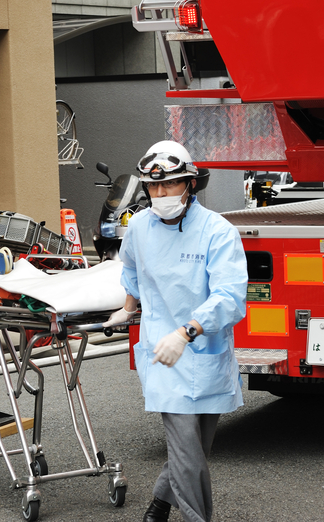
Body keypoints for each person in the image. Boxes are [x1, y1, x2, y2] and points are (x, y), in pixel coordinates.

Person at [104, 141, 247, 522]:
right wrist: (128, 307)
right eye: (153, 187)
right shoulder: (138, 228)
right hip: (163, 355)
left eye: (169, 185)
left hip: (202, 350)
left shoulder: (218, 232)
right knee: (186, 449)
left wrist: (187, 331)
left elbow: (230, 296)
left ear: (191, 185)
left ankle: (160, 503)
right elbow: (131, 270)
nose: (160, 194)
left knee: (195, 449)